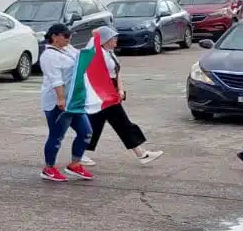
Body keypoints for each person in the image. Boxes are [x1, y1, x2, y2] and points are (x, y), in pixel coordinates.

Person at [84, 26, 163, 164]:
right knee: (121, 123)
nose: (116, 40)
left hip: (111, 92)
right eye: (112, 37)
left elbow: (117, 71)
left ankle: (80, 153)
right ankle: (141, 154)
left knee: (98, 125)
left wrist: (120, 89)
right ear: (105, 40)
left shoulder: (110, 52)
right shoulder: (97, 53)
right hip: (103, 94)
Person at [39, 24, 95, 183]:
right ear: (54, 36)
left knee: (86, 132)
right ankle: (48, 168)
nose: (68, 39)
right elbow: (55, 79)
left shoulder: (68, 49)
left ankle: (75, 164)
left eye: (70, 36)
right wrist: (61, 99)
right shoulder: (49, 56)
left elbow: (82, 56)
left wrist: (95, 39)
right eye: (65, 36)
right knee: (57, 136)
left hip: (74, 99)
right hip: (58, 101)